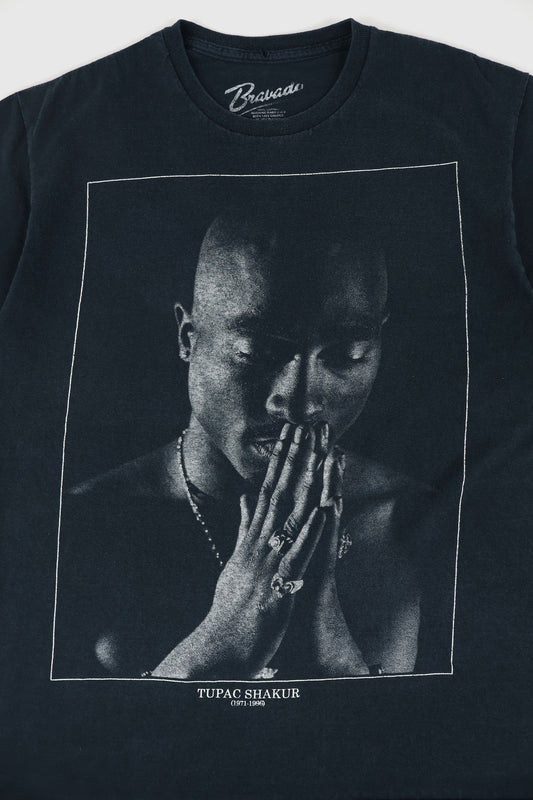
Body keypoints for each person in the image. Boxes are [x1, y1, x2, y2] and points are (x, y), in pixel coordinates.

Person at [55, 197, 426, 680]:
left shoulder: (424, 522)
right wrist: (220, 641)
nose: (299, 403)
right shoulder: (78, 526)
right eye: (256, 352)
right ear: (188, 338)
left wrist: (330, 646)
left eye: (347, 355)